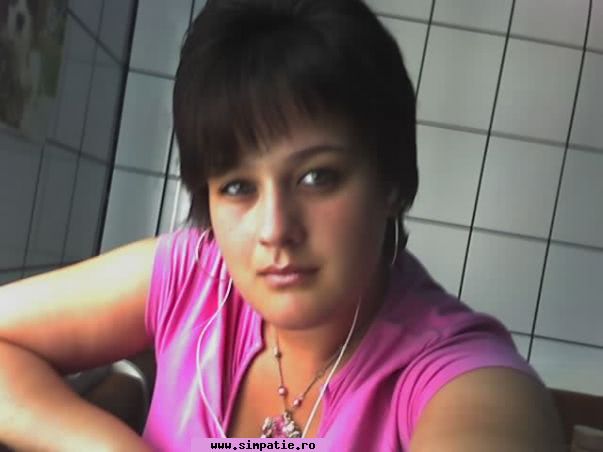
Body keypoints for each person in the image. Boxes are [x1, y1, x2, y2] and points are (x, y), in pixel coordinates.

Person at [0, 0, 564, 450]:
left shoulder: (453, 373)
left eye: (317, 177)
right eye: (237, 186)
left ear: (390, 180)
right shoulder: (196, 277)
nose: (274, 229)